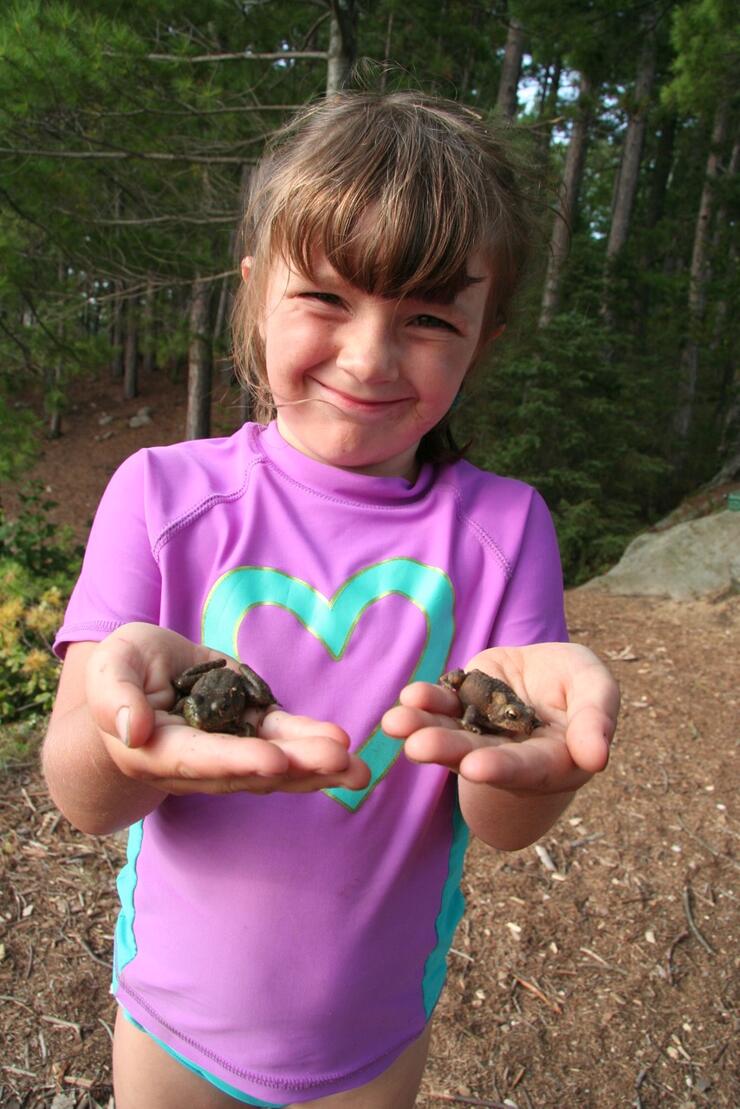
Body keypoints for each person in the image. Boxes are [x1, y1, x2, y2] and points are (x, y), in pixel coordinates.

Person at [43, 90, 619, 1109]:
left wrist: (539, 762)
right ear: (255, 292)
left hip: (373, 1033)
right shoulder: (162, 497)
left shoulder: (503, 529)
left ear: (481, 339)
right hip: (171, 1020)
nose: (366, 355)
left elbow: (496, 815)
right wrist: (120, 733)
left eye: (429, 317)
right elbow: (84, 798)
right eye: (325, 298)